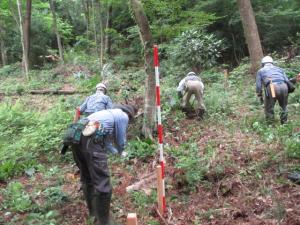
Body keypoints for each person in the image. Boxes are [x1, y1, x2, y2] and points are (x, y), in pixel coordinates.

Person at [71, 104, 136, 225]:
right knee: (103, 183)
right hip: (91, 138)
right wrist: (122, 152)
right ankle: (105, 221)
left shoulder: (106, 115)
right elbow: (121, 140)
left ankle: (93, 214)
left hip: (75, 135)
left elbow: (106, 143)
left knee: (87, 177)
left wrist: (115, 152)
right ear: (129, 114)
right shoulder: (122, 116)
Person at [256, 56, 296, 124]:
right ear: (272, 63)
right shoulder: (280, 69)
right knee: (284, 106)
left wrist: (259, 94)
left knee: (269, 108)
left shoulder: (260, 71)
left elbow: (258, 85)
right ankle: (284, 123)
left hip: (272, 87)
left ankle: (271, 124)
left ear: (263, 64)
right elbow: (287, 80)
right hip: (284, 86)